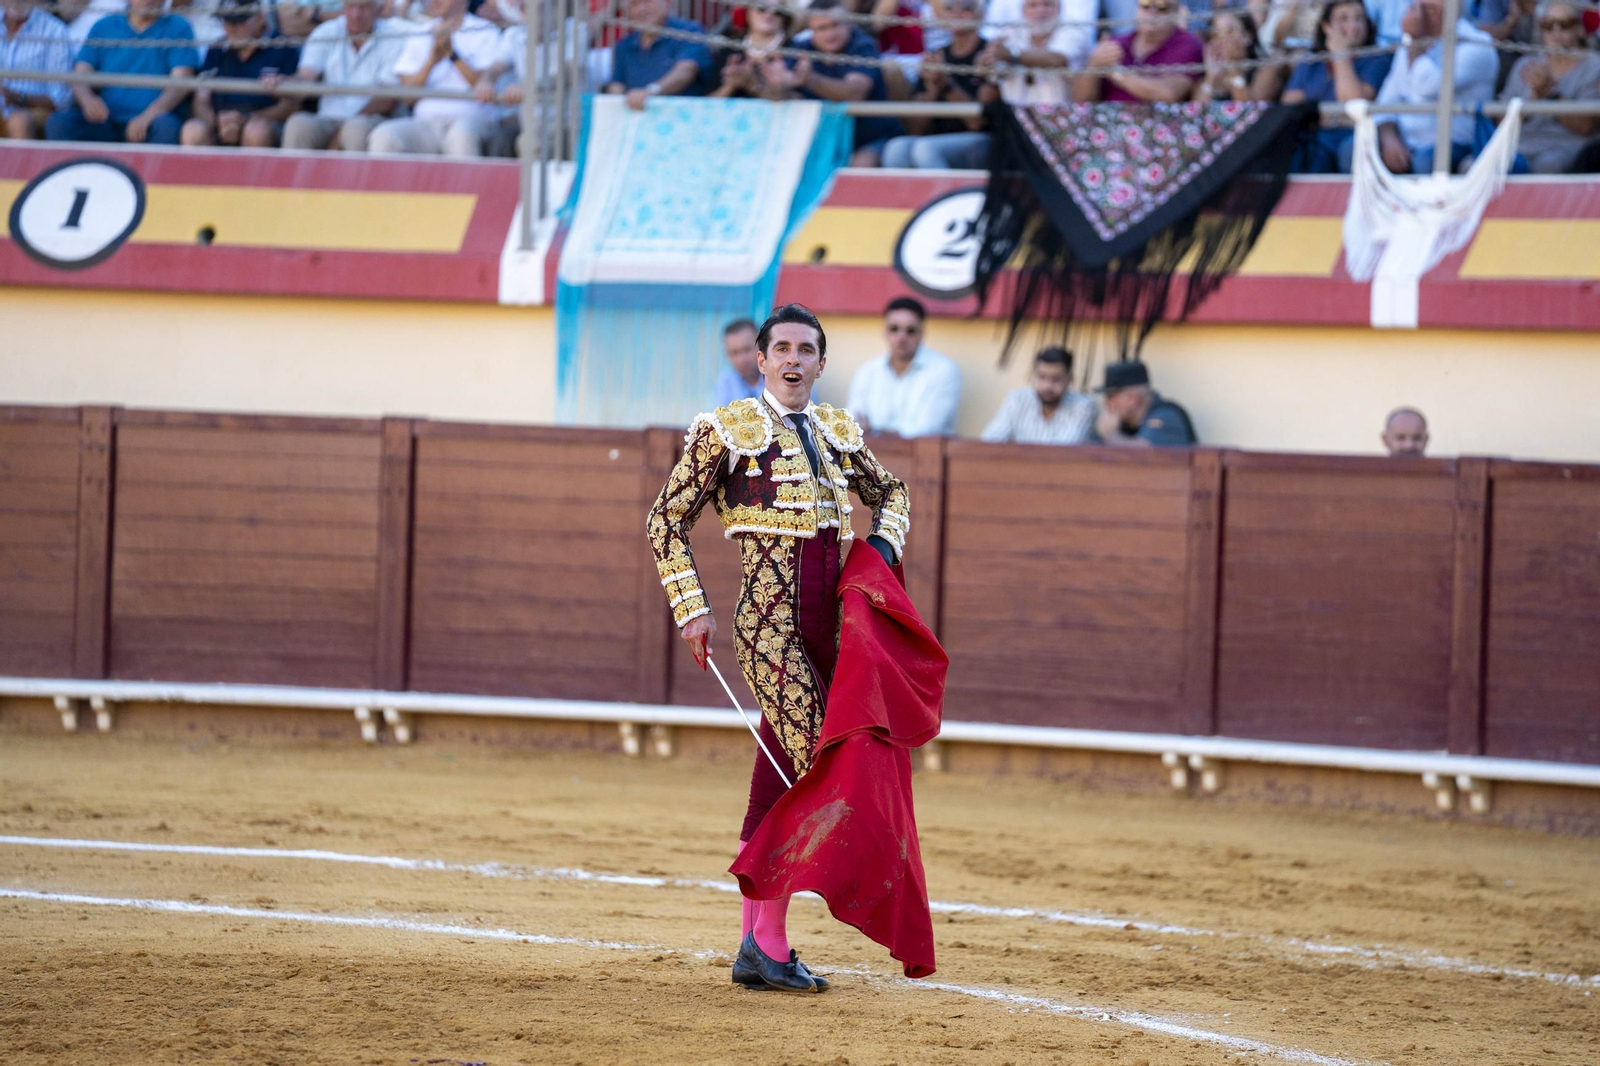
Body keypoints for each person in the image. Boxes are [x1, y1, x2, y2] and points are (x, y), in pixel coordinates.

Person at [646, 302, 911, 993]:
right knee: (820, 772)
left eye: (807, 350)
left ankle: (752, 949)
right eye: (782, 349)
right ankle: (769, 942)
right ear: (761, 361)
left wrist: (880, 550)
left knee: (779, 780)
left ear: (821, 363)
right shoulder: (725, 430)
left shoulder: (836, 429)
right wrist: (691, 610)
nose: (794, 360)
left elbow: (892, 494)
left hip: (830, 635)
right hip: (769, 632)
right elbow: (665, 521)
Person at [46, 0, 197, 145]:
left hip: (153, 122)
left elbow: (181, 82)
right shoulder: (104, 26)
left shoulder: (179, 27)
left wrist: (148, 116)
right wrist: (87, 100)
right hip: (105, 121)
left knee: (166, 126)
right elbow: (80, 73)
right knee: (59, 123)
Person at [771, 0, 902, 166]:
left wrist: (811, 81)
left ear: (848, 23)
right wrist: (771, 85)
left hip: (872, 139)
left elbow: (855, 93)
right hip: (824, 141)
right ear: (811, 30)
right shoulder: (801, 49)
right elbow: (783, 92)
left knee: (860, 166)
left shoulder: (863, 46)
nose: (830, 34)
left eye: (835, 25)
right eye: (822, 28)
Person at [1374, 0, 1498, 175]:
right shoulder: (1410, 44)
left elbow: (1429, 87)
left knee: (1425, 161)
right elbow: (1385, 103)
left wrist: (1415, 42)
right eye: (1420, 8)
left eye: (1432, 9)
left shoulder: (1477, 44)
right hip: (1405, 140)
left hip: (1453, 144)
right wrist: (1389, 138)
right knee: (1353, 148)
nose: (1423, 15)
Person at [369, 0, 502, 157]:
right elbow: (406, 97)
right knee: (384, 135)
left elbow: (484, 85)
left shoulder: (486, 31)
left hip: (471, 120)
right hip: (426, 122)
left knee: (460, 138)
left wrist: (452, 54)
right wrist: (432, 59)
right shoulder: (419, 32)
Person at [1281, 0, 1393, 173]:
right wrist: (1333, 117)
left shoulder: (1377, 59)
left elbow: (1354, 103)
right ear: (1327, 27)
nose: (1354, 25)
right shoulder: (1312, 62)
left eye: (1359, 18)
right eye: (1343, 19)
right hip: (1314, 137)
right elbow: (1290, 104)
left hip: (1350, 136)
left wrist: (1341, 55)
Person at [879, 0, 991, 169]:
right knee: (896, 148)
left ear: (980, 14)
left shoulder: (989, 54)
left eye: (966, 8)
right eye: (950, 8)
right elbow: (916, 128)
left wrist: (945, 85)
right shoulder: (936, 56)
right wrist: (932, 89)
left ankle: (946, 195)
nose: (957, 12)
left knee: (925, 150)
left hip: (982, 141)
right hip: (938, 137)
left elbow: (978, 122)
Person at [280, 0, 403, 152]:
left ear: (378, 10)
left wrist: (342, 133)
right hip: (328, 118)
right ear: (343, 8)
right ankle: (294, 176)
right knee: (298, 124)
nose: (355, 14)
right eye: (351, 7)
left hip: (373, 118)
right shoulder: (326, 31)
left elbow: (386, 98)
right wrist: (282, 82)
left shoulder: (394, 36)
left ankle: (356, 176)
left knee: (355, 129)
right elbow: (306, 77)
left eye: (363, 7)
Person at [1497, 2, 1600, 174]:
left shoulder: (1594, 67)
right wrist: (1530, 101)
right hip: (1519, 146)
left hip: (1564, 147)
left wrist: (1550, 93)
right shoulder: (1525, 64)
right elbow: (1501, 121)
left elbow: (1586, 126)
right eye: (1548, 25)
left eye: (1565, 24)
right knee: (1471, 166)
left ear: (1580, 28)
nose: (1556, 32)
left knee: (1547, 167)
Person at [181, 5, 299, 148]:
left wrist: (246, 119)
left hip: (264, 122)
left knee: (256, 131)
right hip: (220, 121)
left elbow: (291, 105)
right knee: (194, 130)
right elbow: (201, 98)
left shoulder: (283, 47)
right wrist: (216, 122)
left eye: (239, 22)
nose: (231, 28)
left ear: (261, 18)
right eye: (226, 21)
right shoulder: (217, 48)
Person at [845, 296, 963, 437]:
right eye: (894, 329)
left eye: (910, 330)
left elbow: (929, 428)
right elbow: (854, 423)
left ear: (922, 333)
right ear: (885, 332)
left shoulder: (943, 370)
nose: (902, 337)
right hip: (872, 456)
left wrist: (876, 432)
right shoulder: (867, 372)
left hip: (927, 457)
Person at [1075, 0, 1204, 103]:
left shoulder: (1188, 44)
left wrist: (1116, 73)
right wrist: (1093, 65)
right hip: (1107, 127)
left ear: (1177, 12)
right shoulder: (1117, 42)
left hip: (1158, 128)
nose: (1152, 12)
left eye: (1162, 7)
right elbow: (1080, 101)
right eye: (1145, 4)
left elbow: (1169, 94)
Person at [979, 0, 1093, 106]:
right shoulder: (1009, 32)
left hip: (1060, 117)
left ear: (1059, 8)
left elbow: (1058, 59)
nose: (1040, 11)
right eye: (1033, 5)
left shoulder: (1074, 30)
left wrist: (1011, 55)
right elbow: (988, 67)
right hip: (1013, 116)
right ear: (1023, 10)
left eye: (1047, 5)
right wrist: (987, 59)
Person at [603, 0, 713, 109]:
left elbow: (686, 71)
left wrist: (650, 92)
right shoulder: (624, 45)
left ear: (668, 3)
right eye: (634, 4)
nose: (642, 9)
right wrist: (620, 103)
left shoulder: (689, 31)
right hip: (636, 119)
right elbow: (616, 86)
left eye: (648, 2)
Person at [979, 347, 1096, 445]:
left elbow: (1064, 451)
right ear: (1034, 375)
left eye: (1056, 379)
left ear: (1070, 379)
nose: (1047, 386)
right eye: (1041, 377)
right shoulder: (1018, 399)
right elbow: (990, 440)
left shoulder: (1083, 406)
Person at [1, 0, 74, 139]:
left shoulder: (54, 30)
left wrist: (16, 97)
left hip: (33, 111)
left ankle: (19, 161)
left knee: (19, 121)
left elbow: (60, 100)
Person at [1093, 360, 1196, 446]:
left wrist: (1110, 435)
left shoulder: (1167, 415)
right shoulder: (1119, 423)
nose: (1106, 403)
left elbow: (1144, 453)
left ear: (1133, 398)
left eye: (1111, 396)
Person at [708, 0, 796, 99]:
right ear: (747, 12)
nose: (769, 13)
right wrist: (730, 86)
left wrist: (751, 85)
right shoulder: (730, 48)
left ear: (785, 18)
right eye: (761, 7)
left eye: (778, 11)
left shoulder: (795, 49)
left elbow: (802, 102)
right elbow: (707, 101)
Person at [1192, 8, 1275, 102]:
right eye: (1215, 33)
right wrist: (1210, 78)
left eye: (1230, 31)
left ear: (1247, 36)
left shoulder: (1265, 70)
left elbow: (1248, 110)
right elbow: (1196, 112)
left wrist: (1233, 67)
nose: (1222, 38)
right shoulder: (1206, 76)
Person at [712, 319, 765, 406]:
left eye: (747, 350)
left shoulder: (778, 377)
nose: (742, 359)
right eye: (734, 353)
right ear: (726, 354)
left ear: (761, 346)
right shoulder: (725, 382)